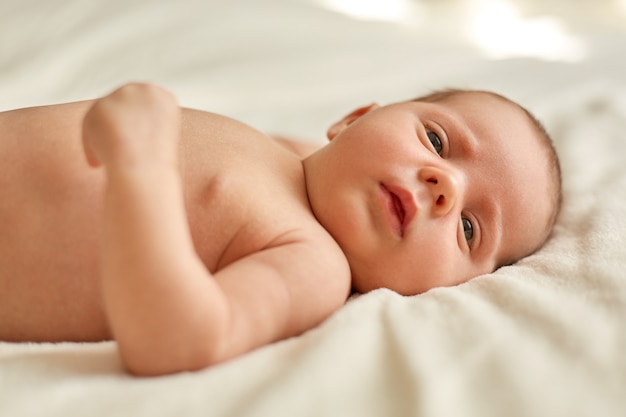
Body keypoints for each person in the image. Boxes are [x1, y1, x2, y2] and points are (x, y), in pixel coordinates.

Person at [0, 83, 561, 376]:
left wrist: (141, 167)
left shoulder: (312, 263)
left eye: (468, 228)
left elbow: (181, 339)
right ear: (355, 118)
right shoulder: (286, 154)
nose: (445, 186)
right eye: (437, 141)